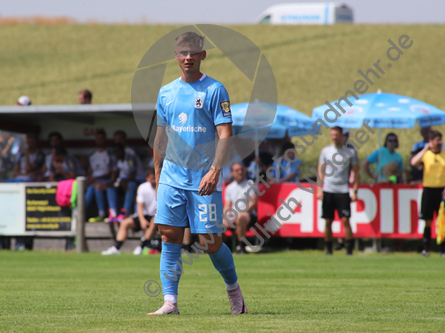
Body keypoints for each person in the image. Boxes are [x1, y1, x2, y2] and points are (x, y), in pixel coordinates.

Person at [149, 31, 246, 315]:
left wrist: (216, 170)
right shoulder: (165, 92)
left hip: (205, 178)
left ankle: (234, 290)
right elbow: (160, 139)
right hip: (171, 177)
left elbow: (225, 133)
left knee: (209, 241)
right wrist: (157, 176)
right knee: (168, 235)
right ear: (176, 56)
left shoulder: (215, 90)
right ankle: (170, 302)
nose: (188, 57)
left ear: (203, 55)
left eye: (193, 52)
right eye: (183, 53)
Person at [317, 126, 359, 255]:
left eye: (336, 134)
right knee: (328, 220)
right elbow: (321, 170)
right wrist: (319, 189)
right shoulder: (326, 151)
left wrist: (355, 190)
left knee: (345, 219)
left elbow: (356, 172)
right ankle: (329, 248)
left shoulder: (350, 151)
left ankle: (349, 248)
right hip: (328, 190)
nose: (334, 137)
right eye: (332, 135)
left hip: (343, 190)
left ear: (342, 135)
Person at [102, 169, 157, 255]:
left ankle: (141, 247)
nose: (154, 181)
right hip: (144, 215)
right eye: (152, 178)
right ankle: (116, 248)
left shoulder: (162, 187)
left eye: (156, 178)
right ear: (147, 178)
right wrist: (142, 220)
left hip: (157, 217)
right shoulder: (143, 187)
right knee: (124, 223)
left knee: (154, 221)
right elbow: (140, 206)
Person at [411, 130, 445, 257]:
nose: (440, 142)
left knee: (442, 220)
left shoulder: (444, 155)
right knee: (428, 220)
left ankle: (443, 249)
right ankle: (426, 248)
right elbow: (414, 162)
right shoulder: (426, 154)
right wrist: (425, 149)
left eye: (440, 139)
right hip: (428, 190)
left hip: (441, 191)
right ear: (431, 141)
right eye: (437, 140)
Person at [224, 163, 258, 254]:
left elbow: (253, 203)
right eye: (237, 170)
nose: (240, 172)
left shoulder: (250, 184)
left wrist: (240, 213)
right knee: (219, 222)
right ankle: (221, 248)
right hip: (234, 215)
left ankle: (241, 246)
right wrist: (226, 216)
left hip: (249, 214)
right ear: (232, 173)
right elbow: (227, 205)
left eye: (241, 170)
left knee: (240, 218)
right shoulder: (229, 188)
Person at [85, 130, 113, 222]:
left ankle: (101, 214)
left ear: (105, 140)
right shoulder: (92, 155)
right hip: (93, 181)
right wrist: (89, 179)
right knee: (90, 188)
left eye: (102, 138)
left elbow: (111, 172)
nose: (100, 140)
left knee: (97, 187)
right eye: (98, 138)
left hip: (105, 180)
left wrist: (96, 179)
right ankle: (79, 212)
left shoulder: (110, 154)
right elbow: (89, 172)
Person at [106, 143, 139, 221]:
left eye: (118, 151)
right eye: (115, 151)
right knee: (110, 187)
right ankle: (113, 213)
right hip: (123, 181)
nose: (116, 153)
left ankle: (125, 212)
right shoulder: (116, 159)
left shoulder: (129, 158)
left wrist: (123, 182)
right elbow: (115, 174)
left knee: (131, 185)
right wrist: (112, 182)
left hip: (137, 180)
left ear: (122, 150)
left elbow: (132, 176)